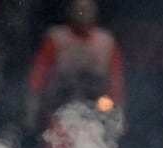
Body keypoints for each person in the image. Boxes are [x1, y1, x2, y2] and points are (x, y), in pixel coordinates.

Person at [24, 0, 125, 133]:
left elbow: (115, 78)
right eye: (79, 10)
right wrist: (33, 103)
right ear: (70, 13)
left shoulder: (106, 42)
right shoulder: (55, 38)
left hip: (96, 106)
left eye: (87, 11)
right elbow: (39, 72)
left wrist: (118, 110)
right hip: (59, 105)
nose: (82, 15)